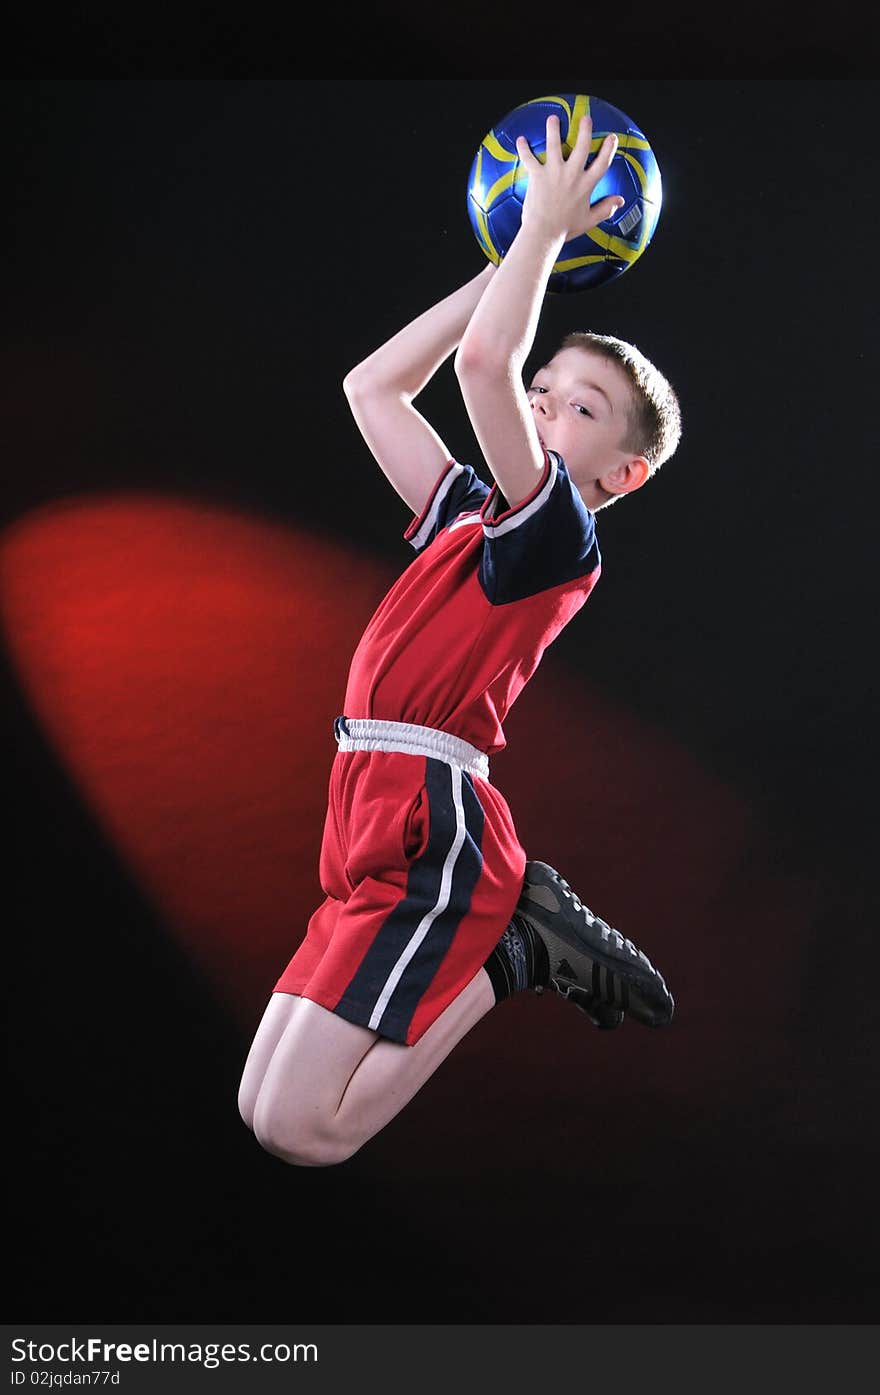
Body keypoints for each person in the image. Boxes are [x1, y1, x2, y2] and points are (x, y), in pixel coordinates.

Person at [238, 113, 682, 1166]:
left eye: (576, 409)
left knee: (307, 1131)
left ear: (621, 474)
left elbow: (484, 366)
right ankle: (517, 943)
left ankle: (519, 953)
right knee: (261, 1110)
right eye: (542, 394)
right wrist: (504, 262)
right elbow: (373, 387)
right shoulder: (472, 518)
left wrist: (539, 232)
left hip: (430, 821)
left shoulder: (553, 538)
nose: (539, 408)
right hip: (367, 800)